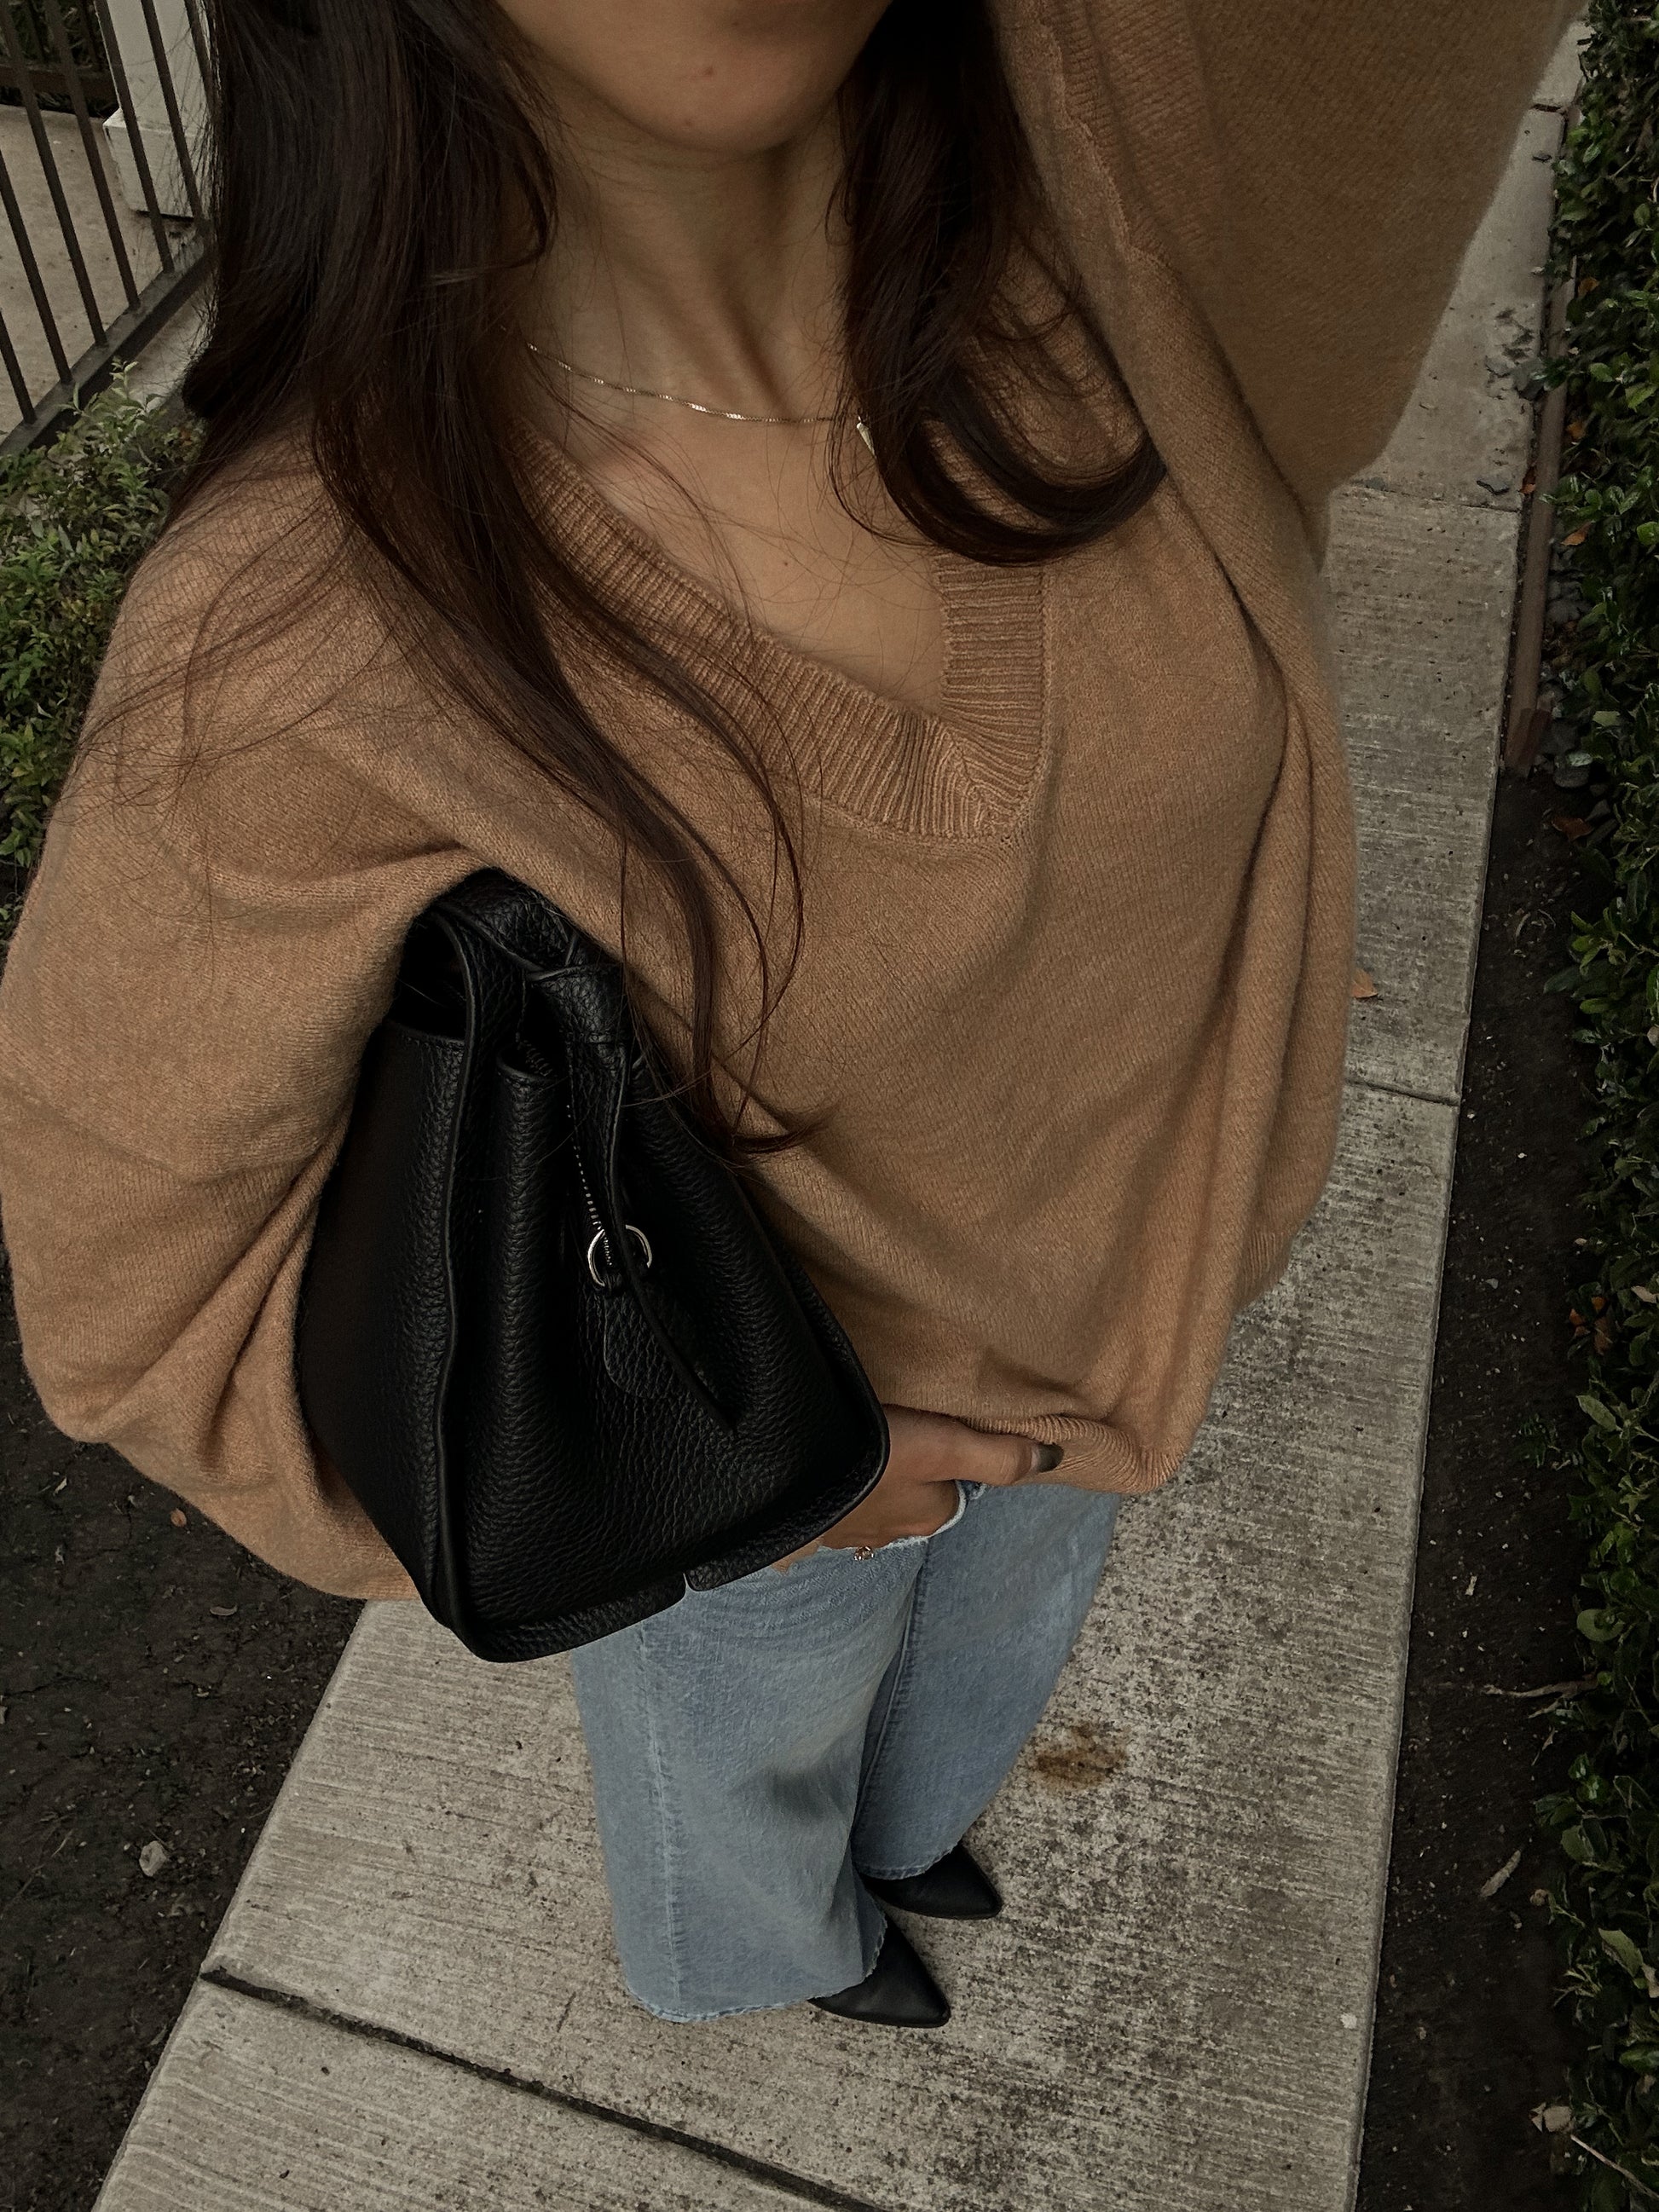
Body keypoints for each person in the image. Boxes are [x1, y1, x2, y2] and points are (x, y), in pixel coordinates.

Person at [0, 0, 1573, 2030]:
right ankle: (770, 1955)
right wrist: (712, 1493)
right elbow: (129, 1311)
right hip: (761, 1475)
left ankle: (906, 1835)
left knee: (985, 1668)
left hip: (1127, 1365)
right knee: (740, 1762)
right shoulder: (297, 633)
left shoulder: (1138, 252)